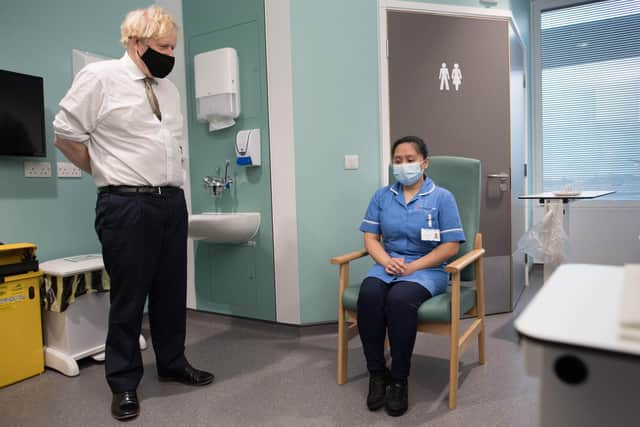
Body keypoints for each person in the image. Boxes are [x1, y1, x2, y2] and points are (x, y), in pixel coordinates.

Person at [53, 6, 213, 421]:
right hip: (126, 205)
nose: (170, 55)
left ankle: (173, 363)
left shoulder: (170, 91)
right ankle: (123, 383)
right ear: (135, 43)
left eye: (173, 47)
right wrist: (104, 171)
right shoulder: (100, 77)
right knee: (129, 298)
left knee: (171, 292)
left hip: (171, 204)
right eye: (163, 47)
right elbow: (65, 135)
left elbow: (170, 145)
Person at [358, 136, 465, 417]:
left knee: (400, 299)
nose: (403, 165)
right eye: (398, 160)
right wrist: (386, 261)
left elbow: (451, 245)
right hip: (388, 264)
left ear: (424, 163)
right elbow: (371, 238)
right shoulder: (382, 196)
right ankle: (377, 373)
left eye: (410, 160)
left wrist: (414, 267)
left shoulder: (442, 198)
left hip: (427, 270)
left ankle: (399, 379)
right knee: (369, 294)